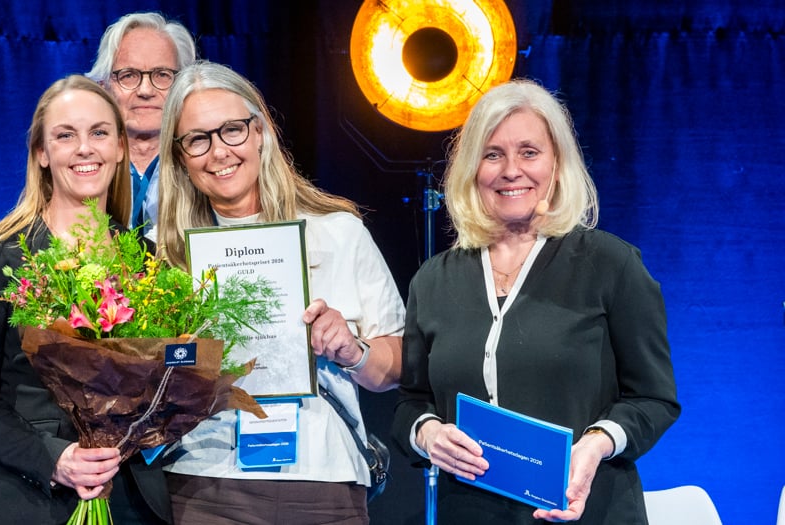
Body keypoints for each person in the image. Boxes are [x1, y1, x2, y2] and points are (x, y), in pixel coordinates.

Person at [391, 79, 680, 524]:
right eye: (493, 154)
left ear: (557, 164)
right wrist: (427, 434)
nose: (511, 170)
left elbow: (654, 398)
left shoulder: (610, 263)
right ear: (472, 168)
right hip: (469, 513)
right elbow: (411, 402)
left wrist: (598, 441)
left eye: (529, 152)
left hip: (587, 510)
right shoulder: (433, 280)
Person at [154, 61, 405, 525]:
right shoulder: (160, 256)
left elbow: (396, 368)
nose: (218, 152)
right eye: (197, 139)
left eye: (231, 130)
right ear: (180, 159)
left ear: (260, 133)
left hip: (324, 479)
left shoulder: (339, 233)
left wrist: (352, 350)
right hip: (205, 483)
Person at [0, 75, 172, 524]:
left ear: (119, 148)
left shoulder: (149, 260)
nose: (84, 148)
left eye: (99, 133)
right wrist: (54, 458)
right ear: (42, 153)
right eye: (65, 135)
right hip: (31, 497)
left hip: (133, 498)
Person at [86, 11, 197, 232]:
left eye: (162, 75)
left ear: (184, 86)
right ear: (104, 85)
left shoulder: (204, 164)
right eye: (128, 75)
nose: (146, 90)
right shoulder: (83, 166)